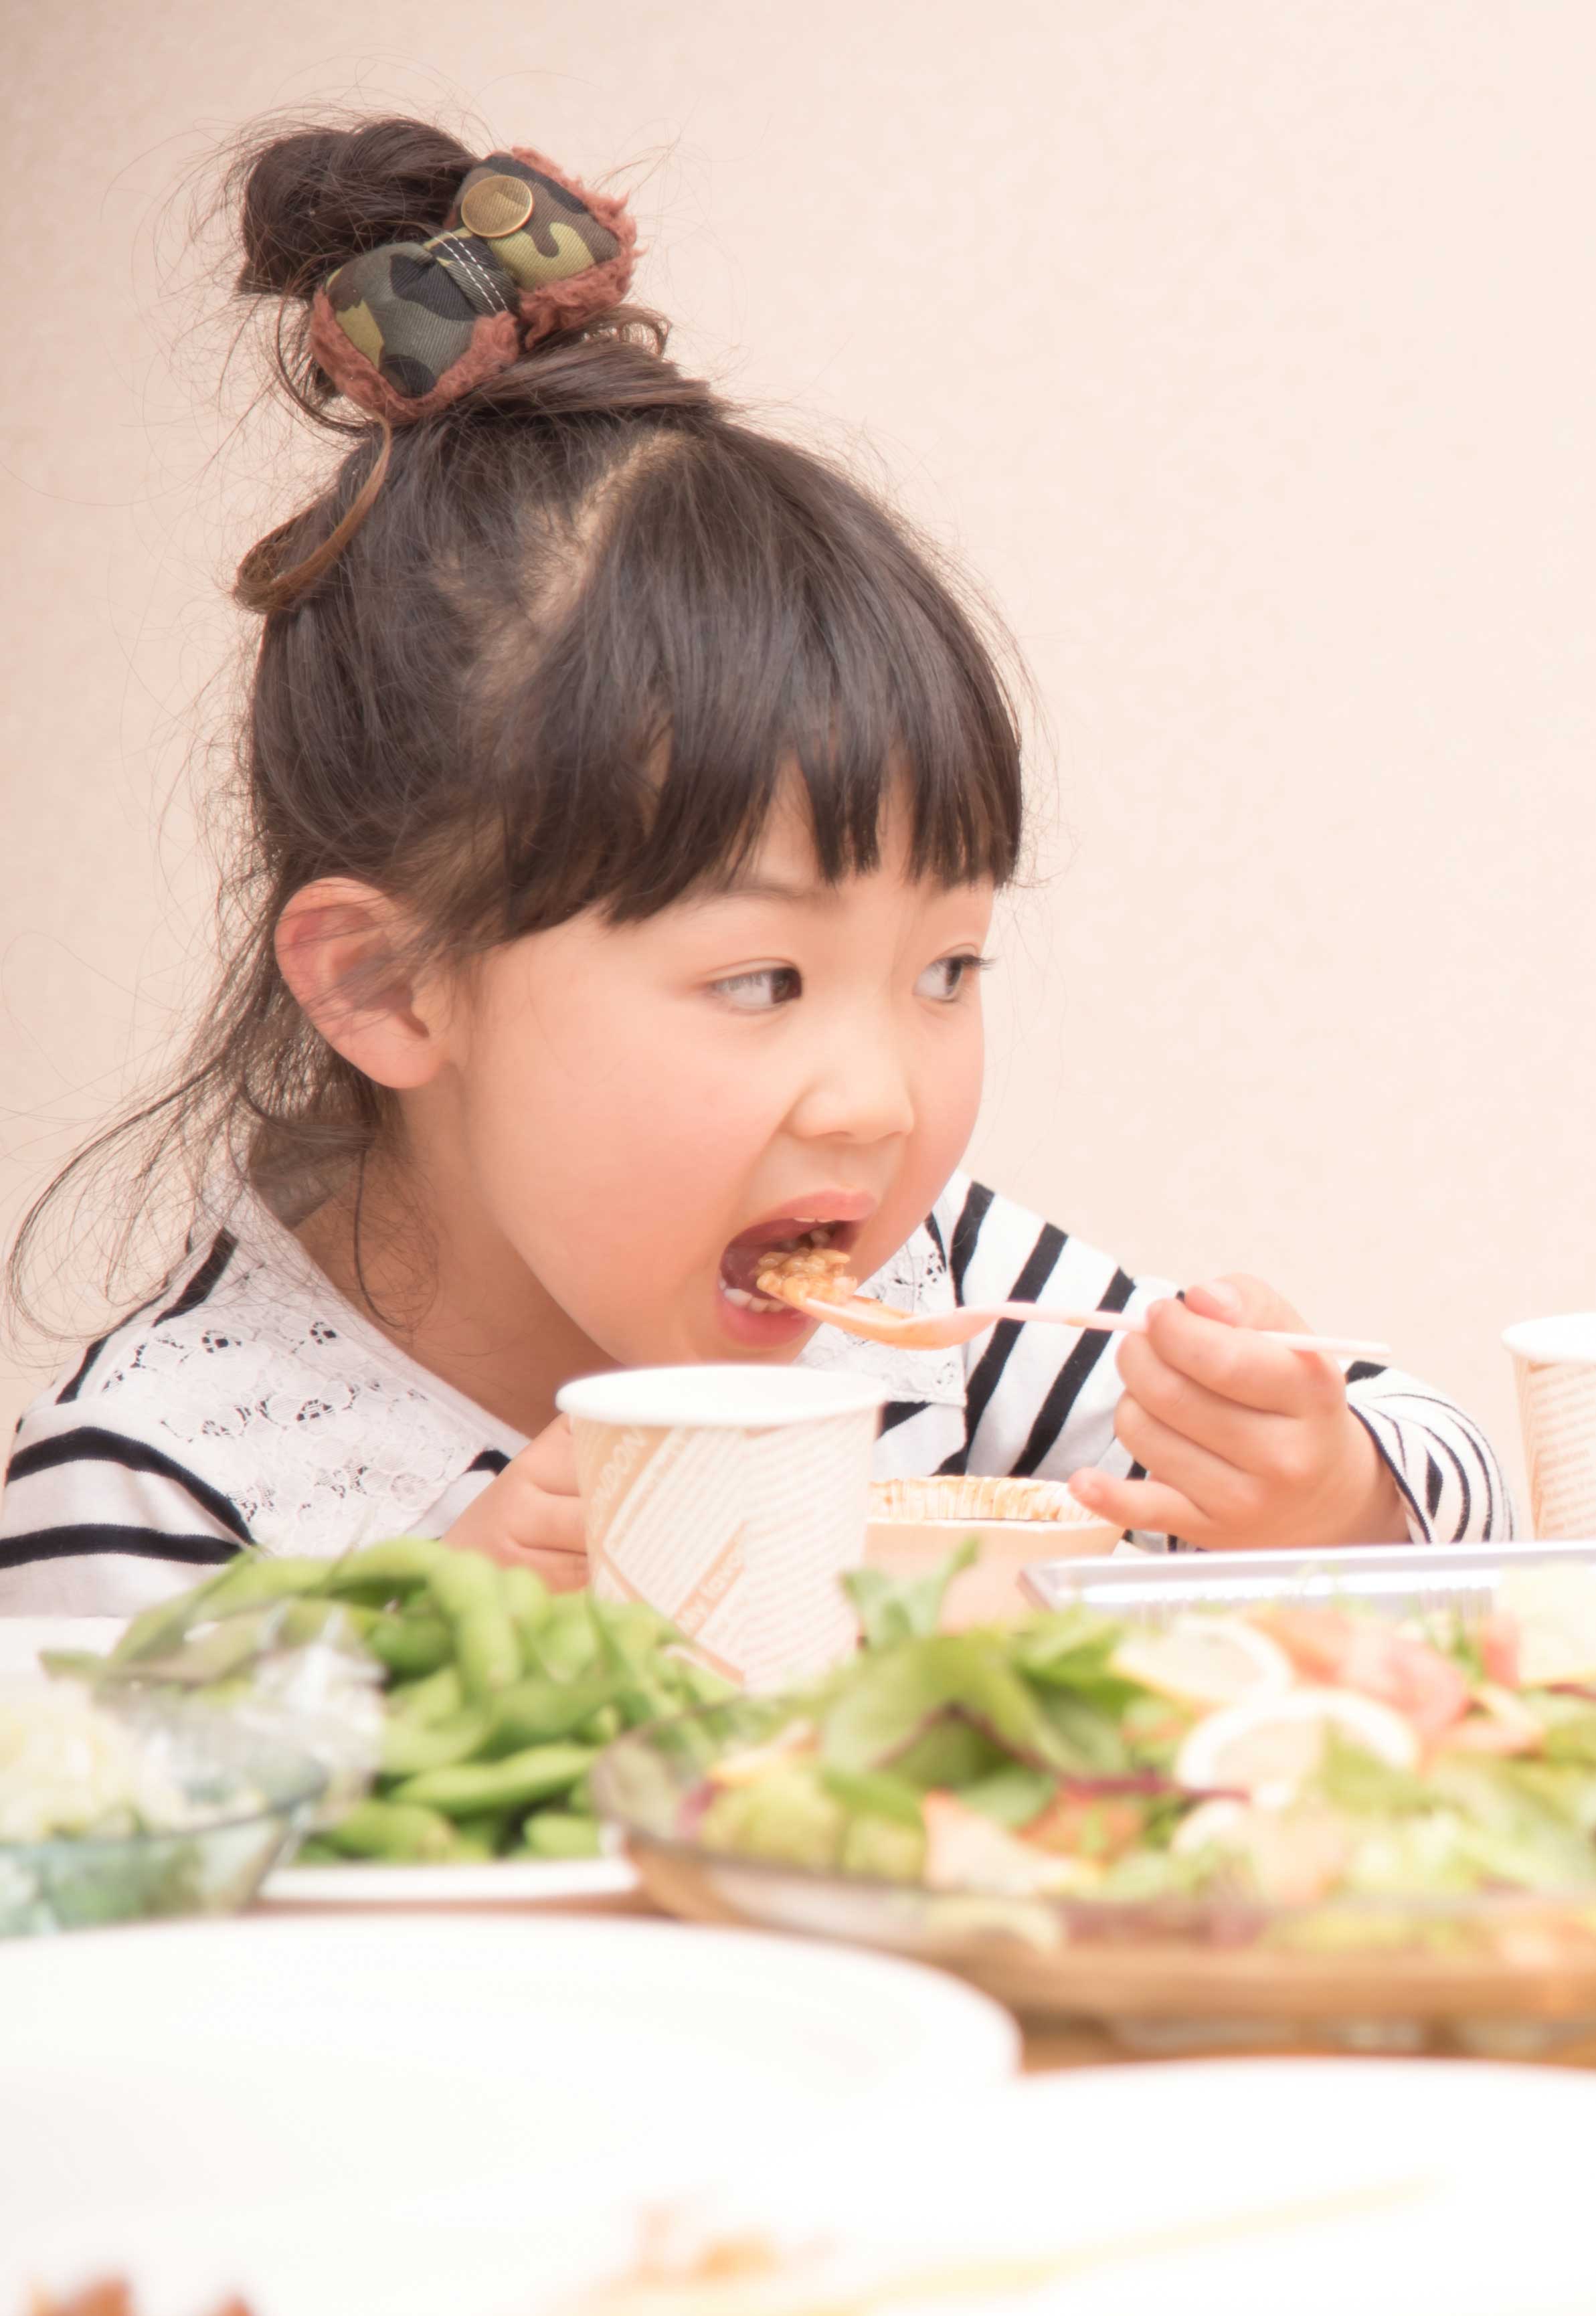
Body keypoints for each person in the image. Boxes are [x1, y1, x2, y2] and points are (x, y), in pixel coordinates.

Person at [0, 118, 1506, 1617]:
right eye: (763, 980)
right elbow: (110, 1775)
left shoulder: (915, 1303)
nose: (877, 1102)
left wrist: (1319, 1494)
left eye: (945, 968)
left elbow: (1439, 1468)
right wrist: (431, 1658)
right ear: (390, 984)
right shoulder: (158, 1480)